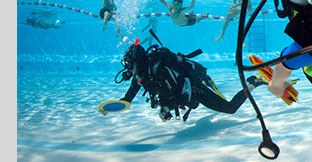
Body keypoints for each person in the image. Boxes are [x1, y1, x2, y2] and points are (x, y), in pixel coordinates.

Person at [100, 40, 266, 121]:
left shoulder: (159, 70)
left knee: (230, 108)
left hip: (193, 89)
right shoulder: (142, 74)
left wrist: (165, 109)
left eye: (131, 65)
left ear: (138, 63)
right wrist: (111, 108)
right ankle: (252, 82)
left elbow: (170, 94)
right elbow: (128, 97)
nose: (129, 69)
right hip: (184, 94)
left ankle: (252, 82)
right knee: (199, 106)